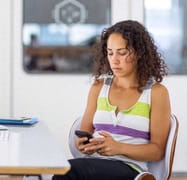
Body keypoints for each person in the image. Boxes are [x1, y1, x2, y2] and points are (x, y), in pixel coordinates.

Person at [52, 20, 171, 180]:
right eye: (110, 52)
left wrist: (118, 147)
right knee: (65, 169)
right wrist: (83, 144)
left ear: (139, 53)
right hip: (94, 162)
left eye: (122, 53)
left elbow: (157, 151)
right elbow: (83, 135)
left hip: (131, 168)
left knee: (69, 170)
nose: (114, 60)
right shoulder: (98, 87)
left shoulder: (156, 93)